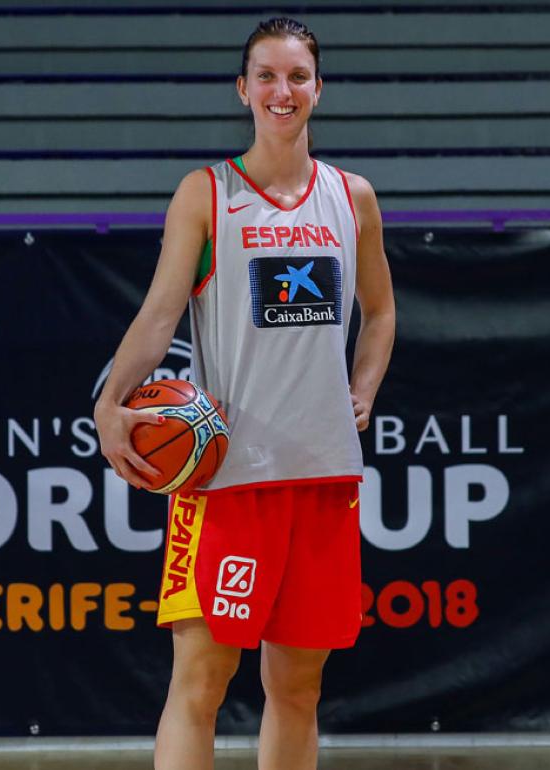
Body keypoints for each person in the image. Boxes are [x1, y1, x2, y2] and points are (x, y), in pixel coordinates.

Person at [93, 16, 396, 770]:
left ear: (318, 90)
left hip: (323, 475)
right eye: (266, 75)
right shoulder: (207, 194)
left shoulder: (352, 197)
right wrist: (110, 404)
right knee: (201, 682)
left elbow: (382, 310)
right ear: (243, 90)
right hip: (228, 478)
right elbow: (161, 314)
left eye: (297, 76)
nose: (281, 90)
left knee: (297, 687)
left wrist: (364, 389)